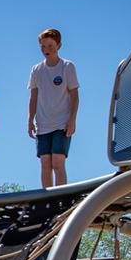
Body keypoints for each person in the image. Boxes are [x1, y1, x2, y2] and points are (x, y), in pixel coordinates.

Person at [27, 28, 79, 188]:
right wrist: (30, 119)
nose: (46, 50)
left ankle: (60, 199)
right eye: (43, 46)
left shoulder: (67, 67)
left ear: (59, 46)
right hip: (43, 124)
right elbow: (33, 97)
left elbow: (75, 96)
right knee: (45, 163)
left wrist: (72, 120)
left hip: (61, 123)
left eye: (50, 46)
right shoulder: (37, 70)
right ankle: (47, 198)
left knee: (57, 162)